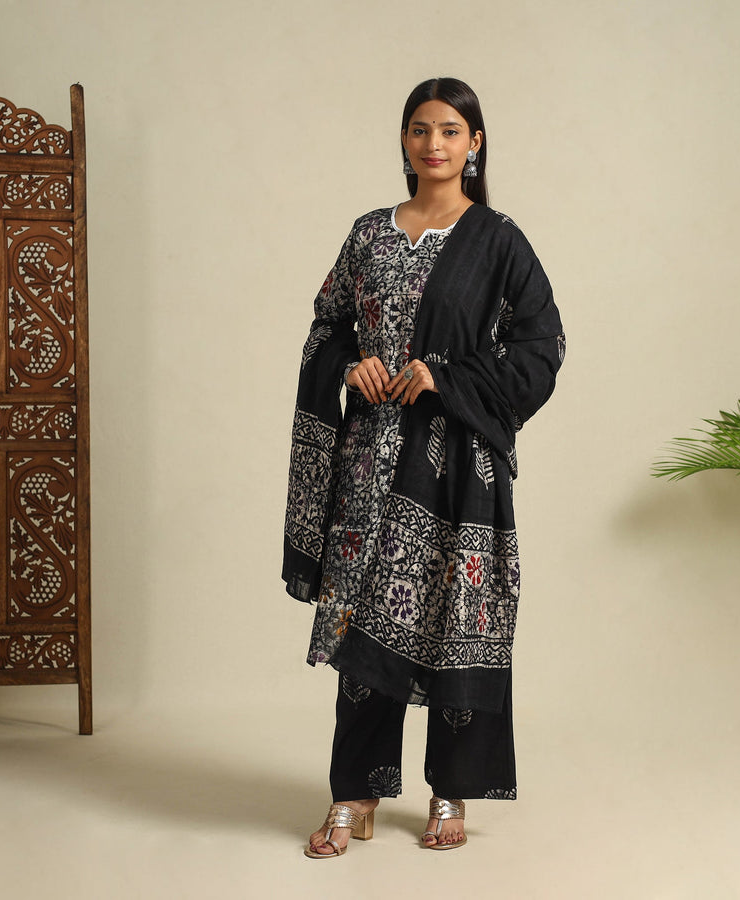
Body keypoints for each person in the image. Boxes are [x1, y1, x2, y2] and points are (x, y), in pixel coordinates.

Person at [283, 76, 564, 858]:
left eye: (449, 131)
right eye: (419, 129)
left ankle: (451, 790)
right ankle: (355, 793)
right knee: (363, 623)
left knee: (454, 621)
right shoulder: (370, 234)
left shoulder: (497, 240)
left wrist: (446, 378)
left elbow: (542, 347)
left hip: (459, 465)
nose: (433, 144)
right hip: (371, 461)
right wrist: (352, 366)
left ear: (475, 144)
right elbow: (327, 327)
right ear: (404, 140)